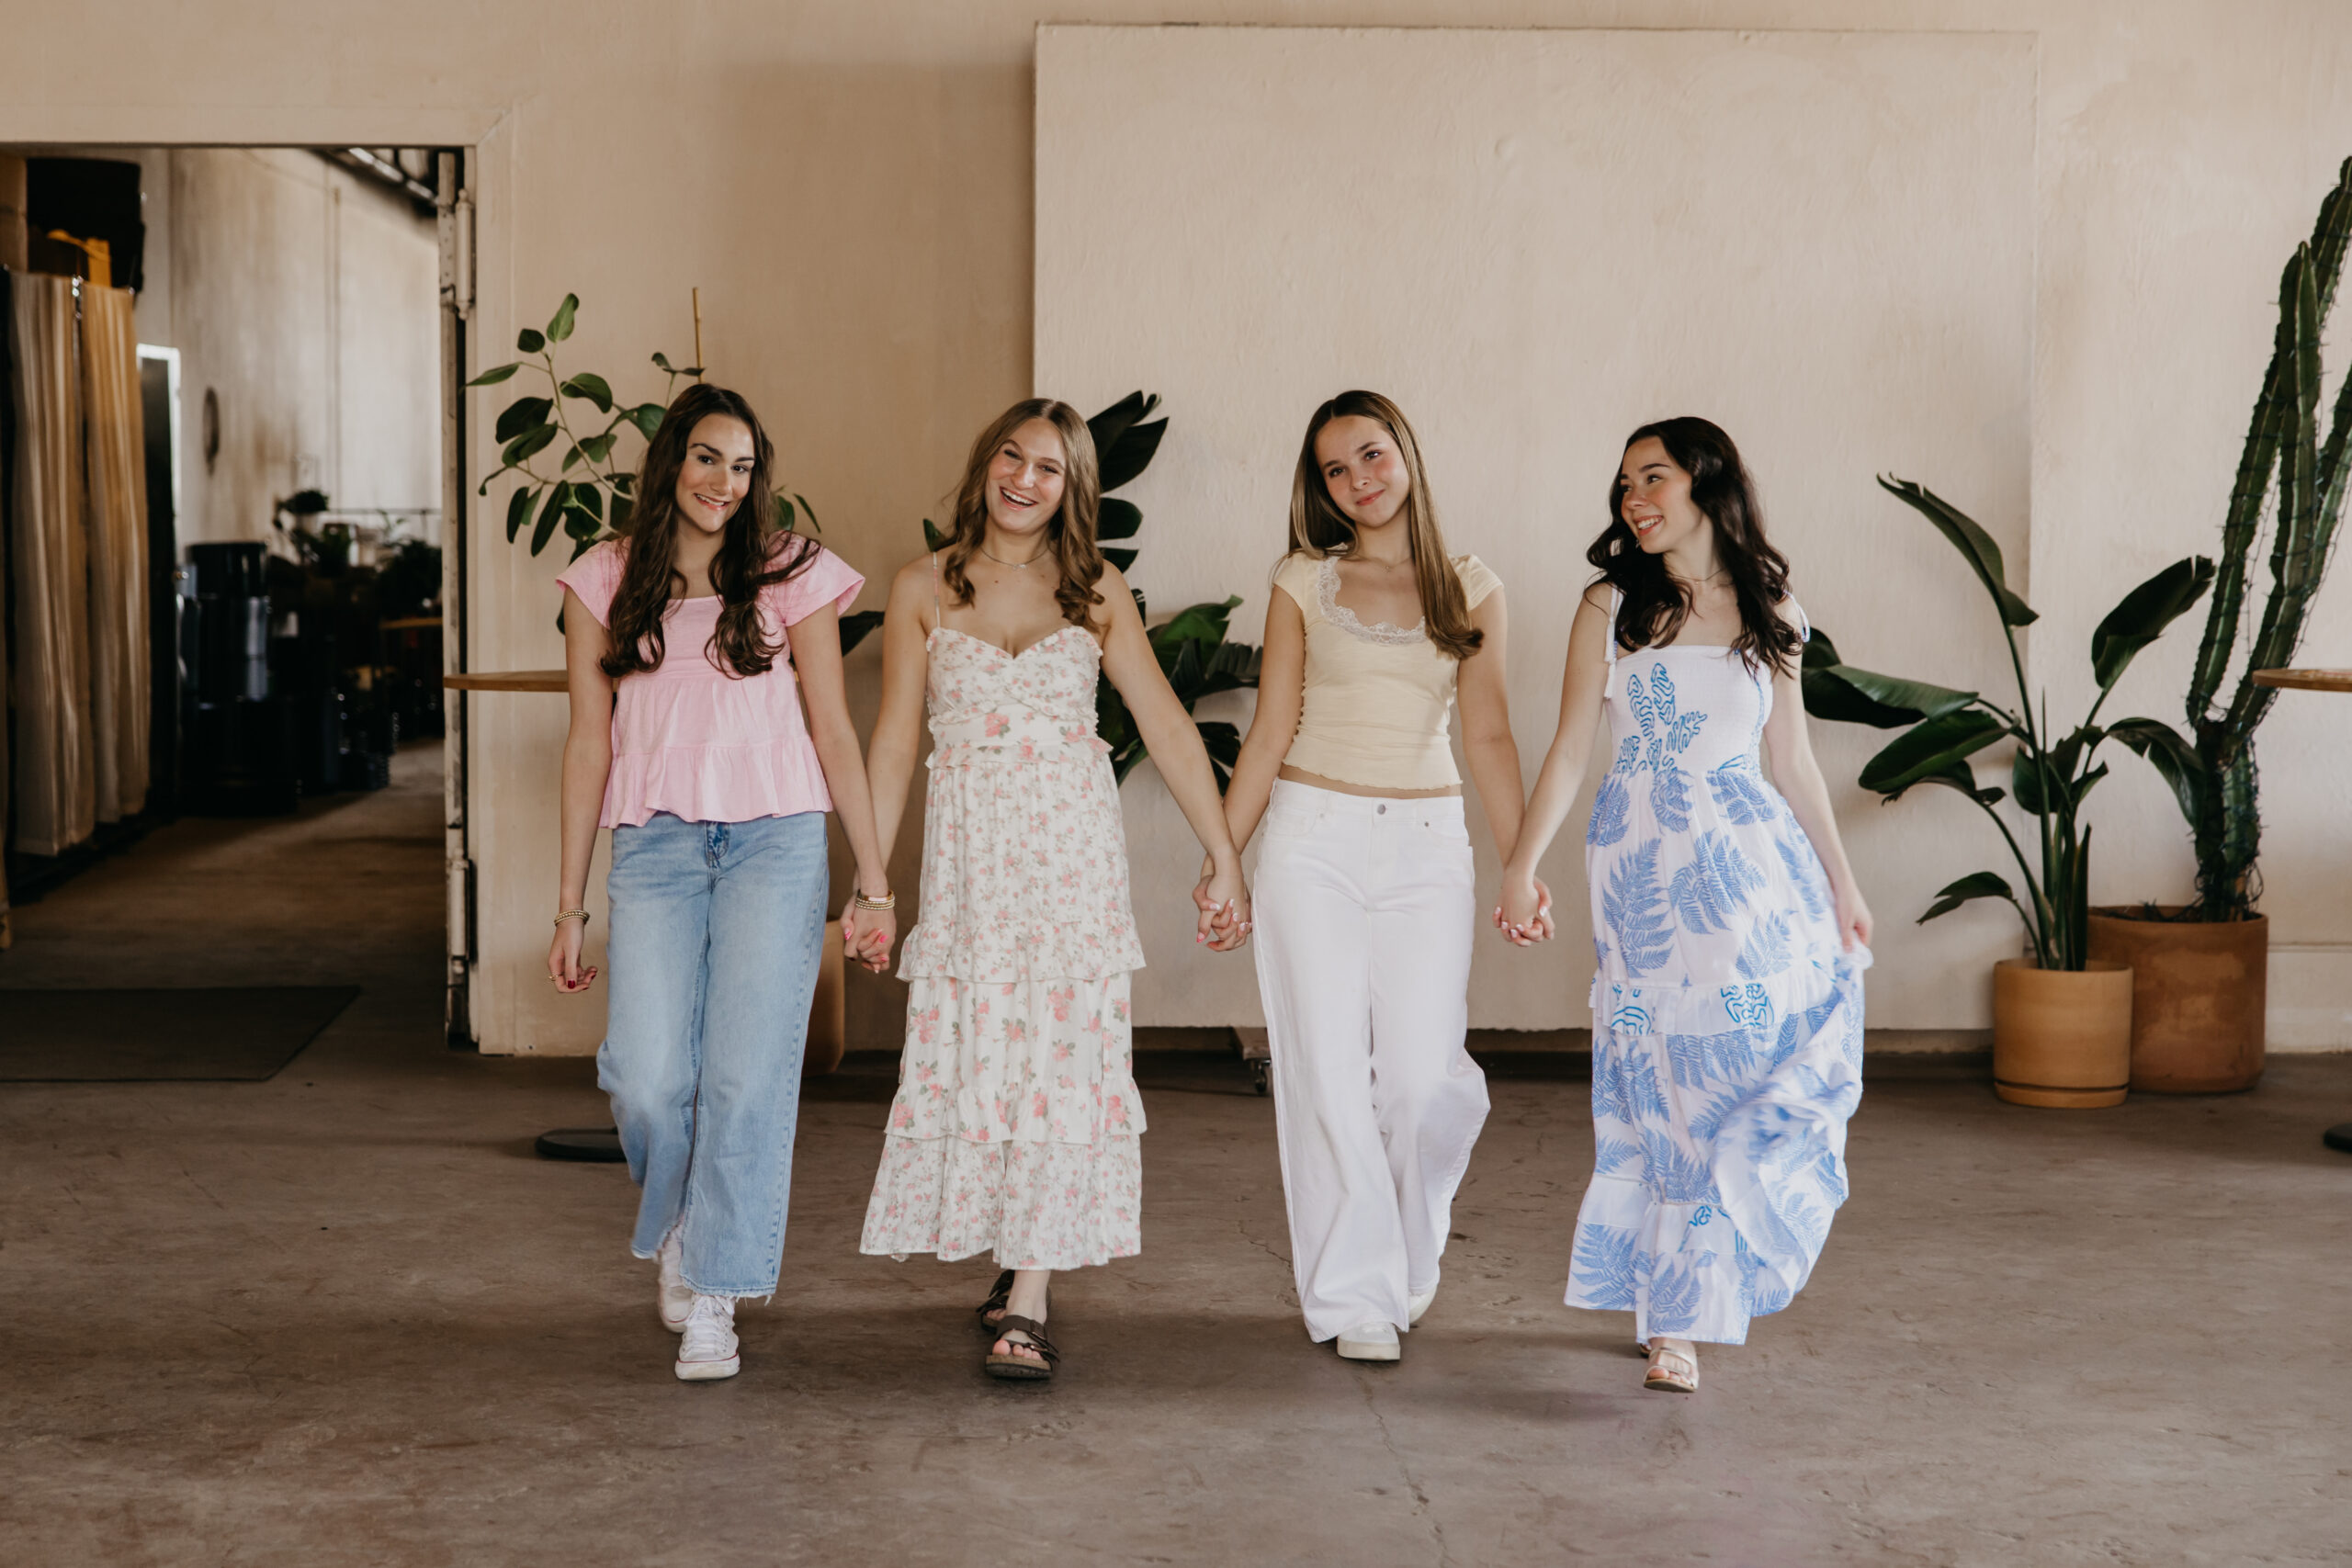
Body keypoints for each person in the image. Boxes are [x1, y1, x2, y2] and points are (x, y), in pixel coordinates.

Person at [858, 397, 1250, 1382]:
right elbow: (897, 740)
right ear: (985, 463)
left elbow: (1161, 722)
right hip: (971, 869)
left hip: (1072, 867)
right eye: (1011, 456)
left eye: (1050, 469)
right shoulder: (922, 588)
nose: (1025, 480)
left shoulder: (1095, 590)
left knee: (1063, 1064)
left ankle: (1028, 1296)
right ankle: (1011, 1260)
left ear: (1074, 489)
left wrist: (1224, 854)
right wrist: (872, 883)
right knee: (992, 1054)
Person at [1498, 416, 1871, 1394]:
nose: (1633, 498)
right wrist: (1520, 864)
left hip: (1754, 865)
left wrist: (1842, 882)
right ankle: (1671, 1319)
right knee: (1661, 1080)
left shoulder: (1771, 601)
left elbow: (1790, 758)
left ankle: (1694, 1296)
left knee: (1740, 1070)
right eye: (1623, 483)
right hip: (1643, 863)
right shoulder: (1612, 603)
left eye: (1652, 477)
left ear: (1706, 482)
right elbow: (1573, 746)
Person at [548, 383, 897, 1383]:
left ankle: (714, 1294)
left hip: (775, 845)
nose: (725, 484)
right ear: (671, 461)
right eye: (708, 459)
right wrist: (569, 905)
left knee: (746, 1080)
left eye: (743, 467)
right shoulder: (602, 580)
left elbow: (834, 727)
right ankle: (680, 1222)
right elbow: (586, 745)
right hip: (655, 848)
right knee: (649, 1076)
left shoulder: (790, 571)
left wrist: (869, 881)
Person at [1219, 389, 1525, 1363]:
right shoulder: (1302, 580)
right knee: (1327, 1075)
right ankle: (1354, 1296)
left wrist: (1521, 866)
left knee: (1423, 1083)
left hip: (1427, 848)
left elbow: (1487, 734)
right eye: (1335, 469)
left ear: (1407, 456)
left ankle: (1407, 1247)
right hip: (1311, 839)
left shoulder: (1472, 586)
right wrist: (1223, 861)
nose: (1358, 480)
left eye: (1371, 455)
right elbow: (1268, 729)